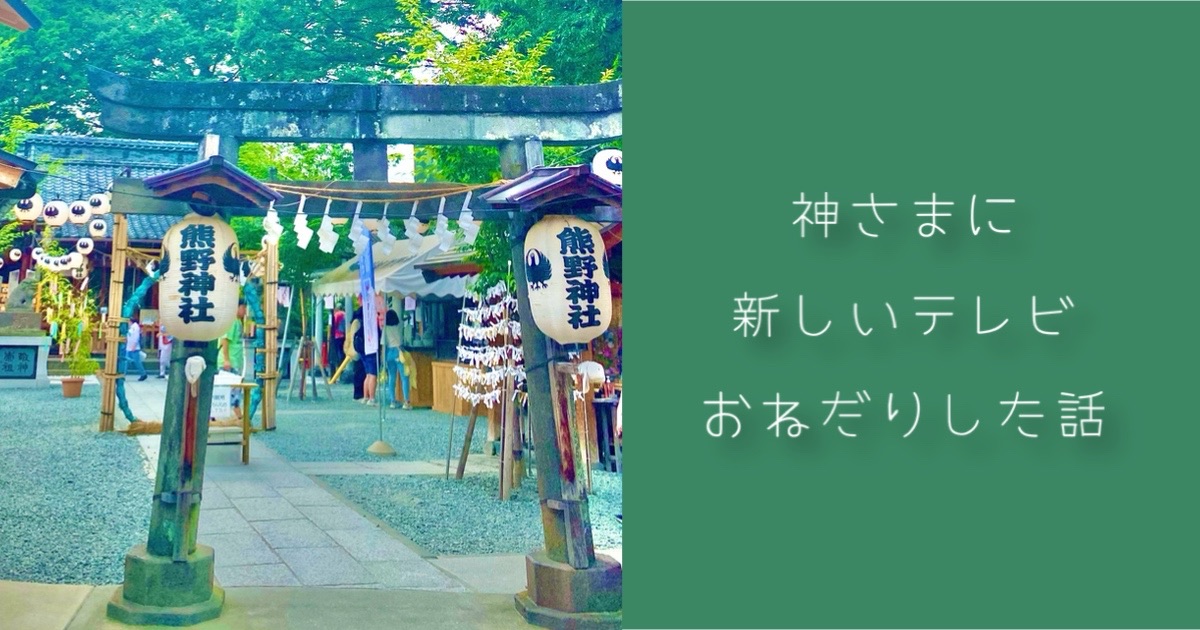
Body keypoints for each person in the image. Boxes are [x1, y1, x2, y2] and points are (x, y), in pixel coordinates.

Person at [345, 305, 380, 405]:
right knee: (369, 374)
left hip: (360, 350)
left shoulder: (356, 322)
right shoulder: (363, 323)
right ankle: (369, 397)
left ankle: (364, 396)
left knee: (366, 374)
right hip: (367, 350)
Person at [382, 310, 412, 410]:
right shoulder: (400, 327)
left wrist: (383, 359)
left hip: (389, 353)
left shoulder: (385, 329)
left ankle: (392, 401)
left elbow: (383, 344)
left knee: (392, 377)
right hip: (399, 352)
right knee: (404, 377)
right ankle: (406, 402)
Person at [221, 301, 246, 418]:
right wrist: (226, 359)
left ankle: (237, 414)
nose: (245, 311)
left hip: (235, 360)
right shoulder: (231, 322)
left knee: (234, 388)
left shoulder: (237, 322)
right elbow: (224, 340)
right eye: (243, 308)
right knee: (232, 389)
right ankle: (238, 415)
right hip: (230, 361)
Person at [126, 314, 147, 381]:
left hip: (134, 347)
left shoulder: (135, 327)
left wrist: (134, 345)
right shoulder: (131, 327)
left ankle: (143, 374)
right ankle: (123, 374)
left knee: (136, 361)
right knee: (127, 361)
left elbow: (136, 337)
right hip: (129, 346)